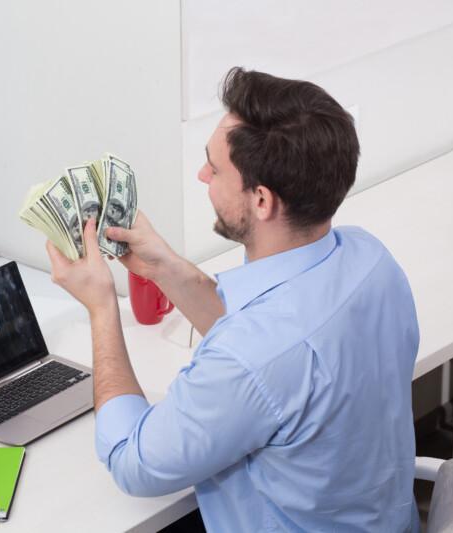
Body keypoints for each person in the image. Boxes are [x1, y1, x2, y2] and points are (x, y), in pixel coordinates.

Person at [46, 67, 420, 532]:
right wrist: (163, 265)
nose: (203, 175)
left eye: (215, 167)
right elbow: (269, 340)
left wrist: (101, 308)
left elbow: (132, 461)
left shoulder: (248, 359)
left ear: (261, 201)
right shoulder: (370, 259)